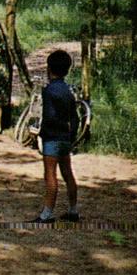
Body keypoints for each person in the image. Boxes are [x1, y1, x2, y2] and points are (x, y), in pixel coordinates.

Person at [34, 49, 79, 224]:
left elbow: (49, 115)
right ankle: (73, 210)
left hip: (51, 137)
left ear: (49, 68)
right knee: (68, 173)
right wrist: (72, 135)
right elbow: (74, 116)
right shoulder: (68, 91)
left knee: (50, 175)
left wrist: (43, 132)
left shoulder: (48, 90)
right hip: (65, 138)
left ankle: (47, 213)